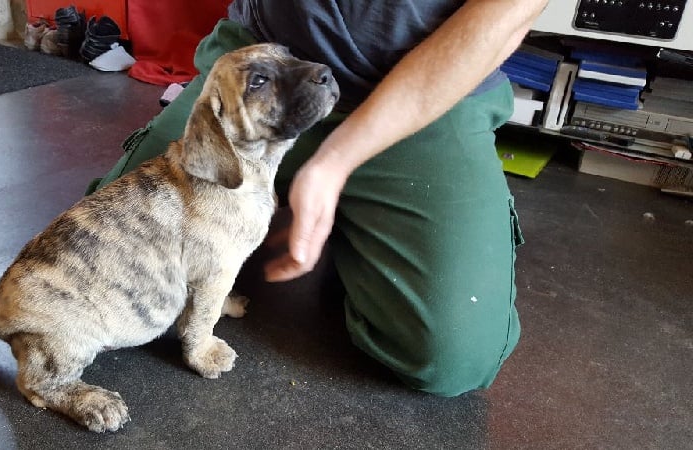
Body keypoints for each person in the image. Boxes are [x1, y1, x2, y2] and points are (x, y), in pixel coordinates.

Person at [88, 0, 548, 397]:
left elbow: (507, 16)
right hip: (263, 64)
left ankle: (358, 228)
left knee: (450, 357)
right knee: (102, 263)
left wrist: (336, 163)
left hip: (430, 91)